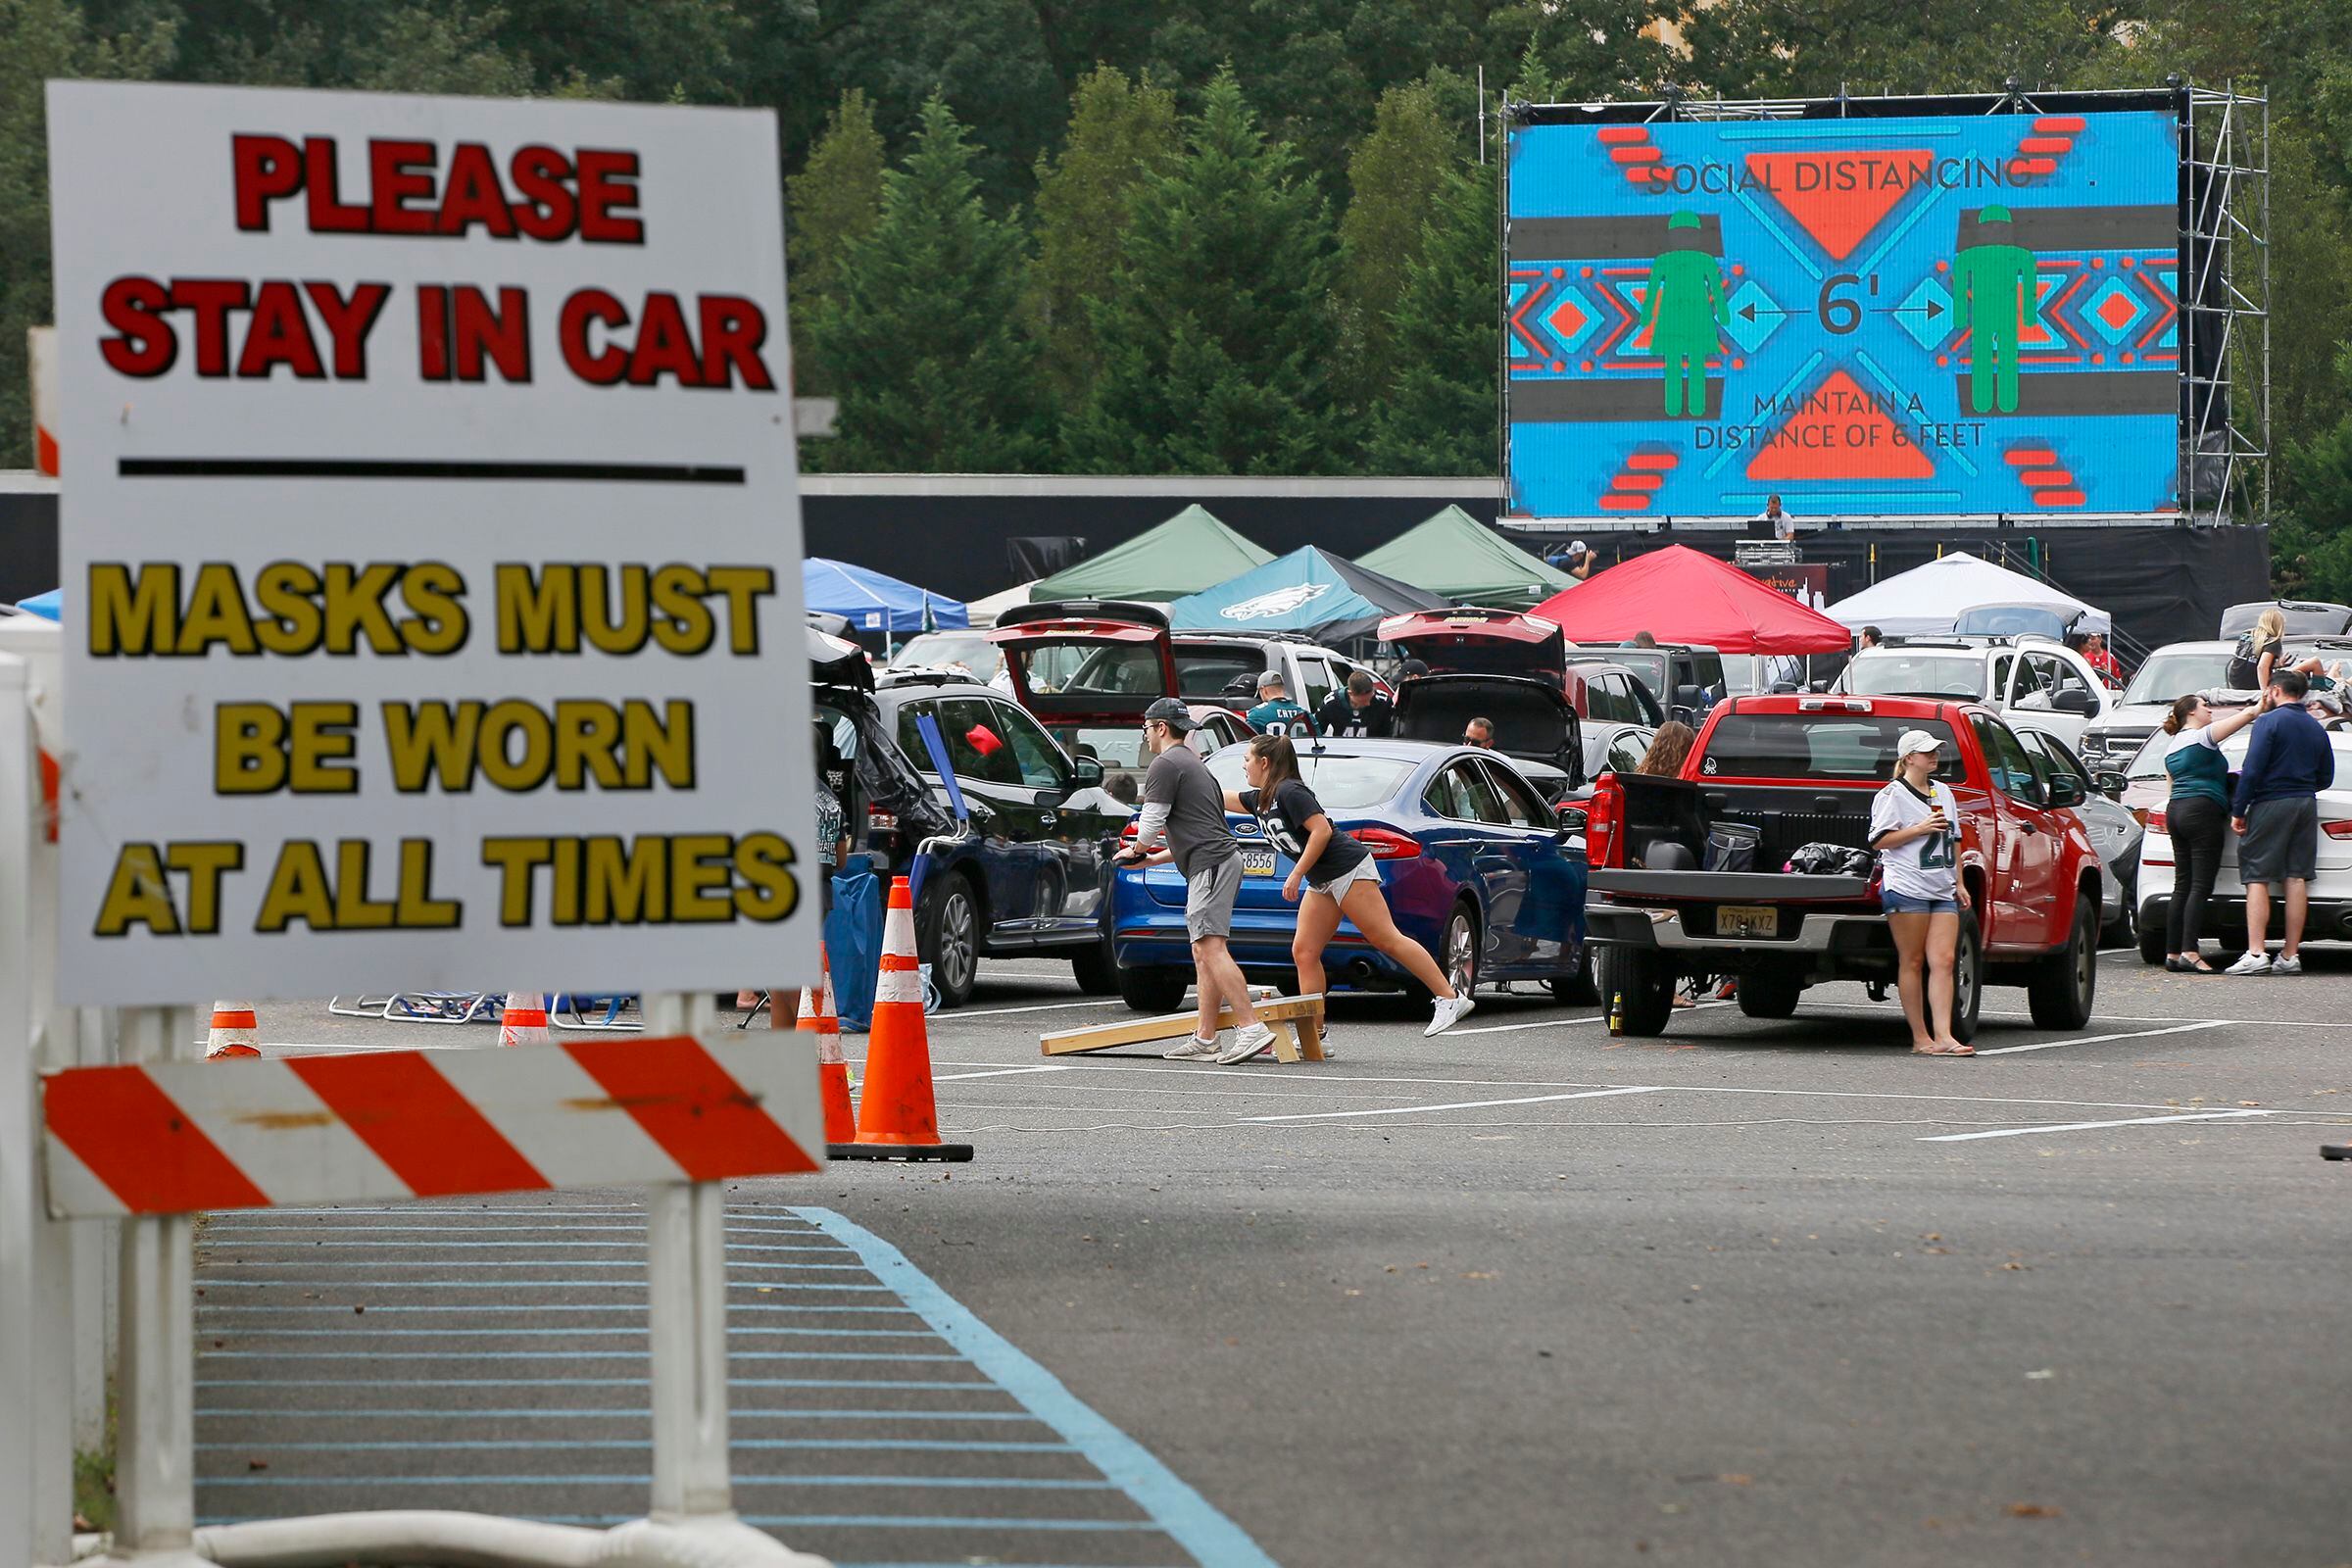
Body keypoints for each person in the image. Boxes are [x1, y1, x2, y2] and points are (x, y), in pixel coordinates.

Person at [1228, 734, 1473, 1038]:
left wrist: (1295, 873)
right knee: (1304, 951)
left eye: (1247, 759)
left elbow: (1321, 831)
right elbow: (1218, 796)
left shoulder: (1291, 791)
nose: (1244, 766)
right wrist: (1187, 787)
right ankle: (1315, 1033)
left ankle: (1449, 998)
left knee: (1385, 938)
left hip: (1347, 868)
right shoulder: (1262, 798)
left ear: (1264, 763)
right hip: (1323, 879)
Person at [1114, 698, 1275, 1063]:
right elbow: (1199, 827)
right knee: (1202, 951)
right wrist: (1155, 857)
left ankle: (1251, 1029)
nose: (1146, 735)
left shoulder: (1165, 763)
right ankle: (1205, 1038)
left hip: (1212, 864)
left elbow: (1152, 819)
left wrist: (1137, 849)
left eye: (1146, 727)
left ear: (1160, 727)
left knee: (1210, 948)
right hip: (1214, 859)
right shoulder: (1193, 764)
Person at [2225, 669, 2335, 975]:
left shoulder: (2268, 721)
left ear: (2274, 690)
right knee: (2297, 876)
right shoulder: (2316, 727)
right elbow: (2326, 775)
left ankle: (2257, 952)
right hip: (2305, 802)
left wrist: (2239, 808)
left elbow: (2253, 768)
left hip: (2271, 800)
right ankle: (2289, 954)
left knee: (2257, 874)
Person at [1870, 729, 1971, 1056]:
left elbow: (1954, 840)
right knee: (1912, 960)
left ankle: (1944, 1034)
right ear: (1908, 758)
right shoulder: (1892, 794)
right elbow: (1879, 840)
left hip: (1940, 886)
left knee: (1943, 960)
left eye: (1936, 751)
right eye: (1926, 752)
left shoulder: (1943, 792)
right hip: (1907, 885)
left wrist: (1959, 882)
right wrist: (1918, 829)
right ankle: (1920, 1036)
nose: (1934, 756)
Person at [2159, 690, 2261, 973]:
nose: (2210, 711)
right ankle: (2191, 951)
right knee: (2200, 885)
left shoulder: (2171, 747)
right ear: (2190, 712)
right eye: (2205, 706)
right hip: (2203, 811)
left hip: (2176, 811)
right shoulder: (2202, 736)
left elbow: (2171, 787)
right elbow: (2249, 715)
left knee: (2182, 884)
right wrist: (2266, 697)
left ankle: (2172, 952)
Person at [2227, 609, 2325, 693]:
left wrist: (2276, 665)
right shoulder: (2273, 641)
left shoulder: (2246, 635)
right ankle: (2320, 691)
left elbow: (2249, 661)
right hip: (2254, 684)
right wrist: (2264, 692)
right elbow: (2261, 667)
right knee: (2314, 662)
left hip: (2236, 683)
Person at [1316, 670, 1394, 739]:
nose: (1368, 703)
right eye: (1363, 701)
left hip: (1374, 751)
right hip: (1342, 750)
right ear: (1350, 693)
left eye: (1370, 698)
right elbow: (1316, 731)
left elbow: (1390, 734)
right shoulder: (1331, 703)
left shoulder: (1384, 702)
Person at [1244, 671, 1316, 739]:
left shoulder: (1256, 713)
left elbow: (1246, 744)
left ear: (1263, 690)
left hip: (1270, 752)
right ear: (1283, 688)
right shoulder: (1304, 714)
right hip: (1297, 752)